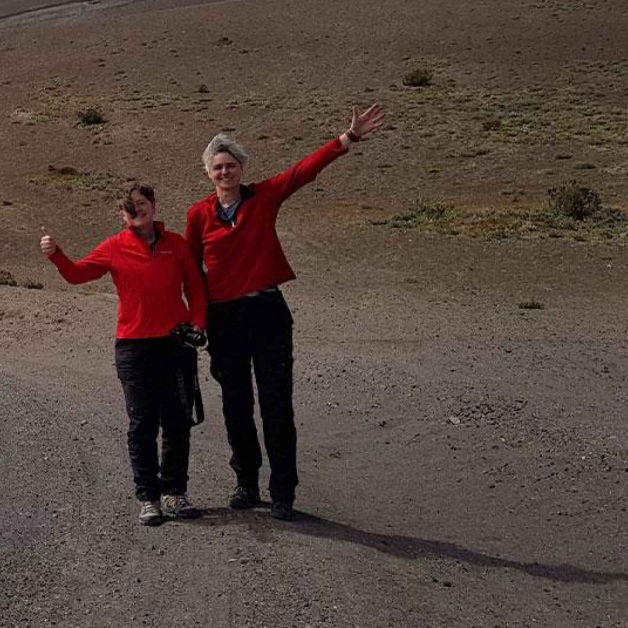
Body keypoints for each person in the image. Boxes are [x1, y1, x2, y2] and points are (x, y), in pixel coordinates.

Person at [185, 104, 386, 521]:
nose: (225, 172)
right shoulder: (198, 215)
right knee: (236, 404)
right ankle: (245, 483)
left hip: (267, 313)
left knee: (277, 403)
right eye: (217, 167)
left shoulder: (264, 196)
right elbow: (190, 272)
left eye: (231, 165)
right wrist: (195, 322)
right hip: (226, 321)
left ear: (241, 169)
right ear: (208, 173)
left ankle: (283, 492)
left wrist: (346, 140)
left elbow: (303, 171)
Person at [40, 182, 208, 527]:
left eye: (142, 203)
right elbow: (76, 275)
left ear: (153, 205)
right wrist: (55, 253)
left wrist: (198, 326)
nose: (136, 210)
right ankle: (148, 497)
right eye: (129, 206)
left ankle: (174, 493)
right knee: (142, 424)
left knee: (177, 422)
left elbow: (195, 289)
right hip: (134, 348)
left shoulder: (175, 245)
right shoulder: (114, 247)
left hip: (176, 346)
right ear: (121, 214)